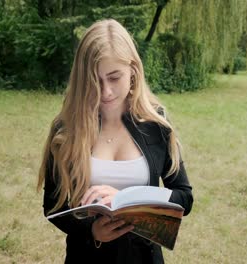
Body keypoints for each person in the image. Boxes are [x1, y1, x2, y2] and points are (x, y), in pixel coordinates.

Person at [37, 19, 193, 264]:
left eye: (114, 77)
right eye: (95, 81)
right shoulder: (66, 130)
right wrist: (91, 231)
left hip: (144, 258)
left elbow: (184, 197)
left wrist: (132, 198)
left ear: (133, 71)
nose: (106, 91)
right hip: (85, 257)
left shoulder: (156, 124)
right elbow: (53, 208)